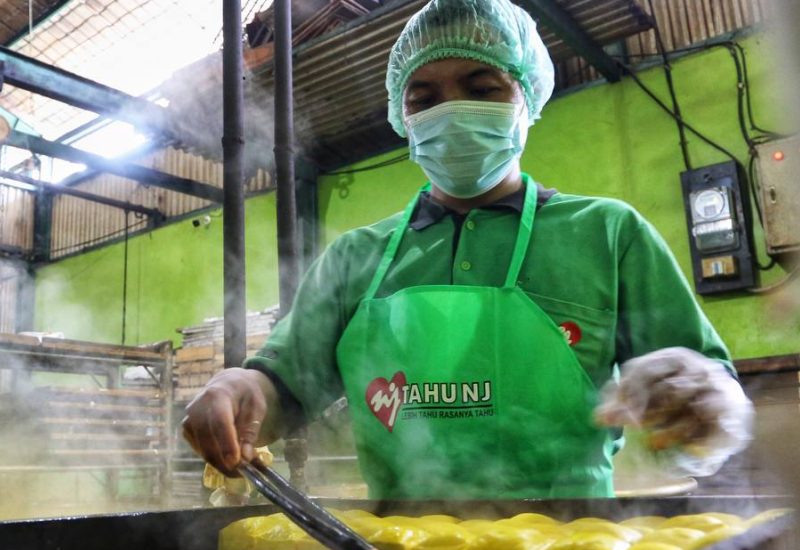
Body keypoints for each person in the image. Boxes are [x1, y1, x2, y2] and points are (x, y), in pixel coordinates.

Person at [182, 0, 754, 500]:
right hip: (398, 549)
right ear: (402, 119)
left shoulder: (608, 233)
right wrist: (241, 387)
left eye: (482, 90)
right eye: (424, 98)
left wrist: (702, 404)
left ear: (526, 98)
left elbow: (700, 396)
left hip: (570, 544)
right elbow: (283, 386)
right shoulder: (355, 257)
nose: (450, 111)